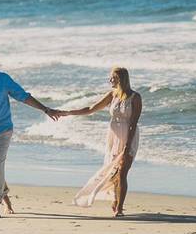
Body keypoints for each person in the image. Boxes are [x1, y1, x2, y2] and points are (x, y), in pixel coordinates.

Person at [0, 46, 59, 218]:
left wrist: (45, 109)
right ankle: (7, 200)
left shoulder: (3, 79)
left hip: (3, 128)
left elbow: (23, 96)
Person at [57, 67, 142, 217]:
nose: (110, 80)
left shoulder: (135, 97)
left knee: (122, 172)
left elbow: (133, 123)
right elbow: (91, 109)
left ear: (121, 79)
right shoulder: (112, 95)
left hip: (129, 136)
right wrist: (67, 113)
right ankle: (115, 199)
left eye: (113, 78)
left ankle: (119, 208)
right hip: (113, 136)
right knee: (113, 172)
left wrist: (128, 144)